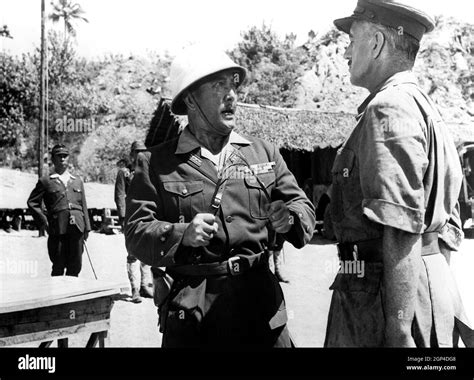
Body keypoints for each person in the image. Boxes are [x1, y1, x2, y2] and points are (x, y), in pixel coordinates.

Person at [124, 45, 315, 347]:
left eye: (233, 86)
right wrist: (181, 234)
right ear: (190, 99)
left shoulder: (263, 152)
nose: (231, 95)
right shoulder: (155, 164)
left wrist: (289, 218)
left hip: (261, 307)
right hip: (194, 315)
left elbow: (302, 205)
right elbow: (135, 234)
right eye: (218, 86)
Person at [325, 0, 473, 347]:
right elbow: (443, 228)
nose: (346, 52)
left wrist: (400, 329)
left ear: (376, 43)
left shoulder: (388, 108)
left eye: (352, 40)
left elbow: (401, 226)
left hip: (382, 302)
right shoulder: (421, 105)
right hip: (422, 288)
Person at [27, 144, 91, 277]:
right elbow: (32, 202)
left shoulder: (77, 181)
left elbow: (83, 204)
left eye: (65, 156)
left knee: (76, 264)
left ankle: (73, 295)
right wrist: (45, 222)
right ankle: (57, 296)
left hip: (77, 227)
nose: (62, 159)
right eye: (59, 156)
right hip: (57, 228)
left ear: (69, 159)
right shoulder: (46, 181)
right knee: (58, 264)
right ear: (53, 159)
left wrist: (87, 228)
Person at [116, 142, 154, 303]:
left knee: (147, 252)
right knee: (133, 253)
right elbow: (119, 195)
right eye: (137, 152)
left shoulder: (149, 171)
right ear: (131, 154)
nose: (140, 156)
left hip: (147, 217)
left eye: (143, 152)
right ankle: (135, 289)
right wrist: (123, 217)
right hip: (131, 217)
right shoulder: (124, 173)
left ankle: (145, 286)